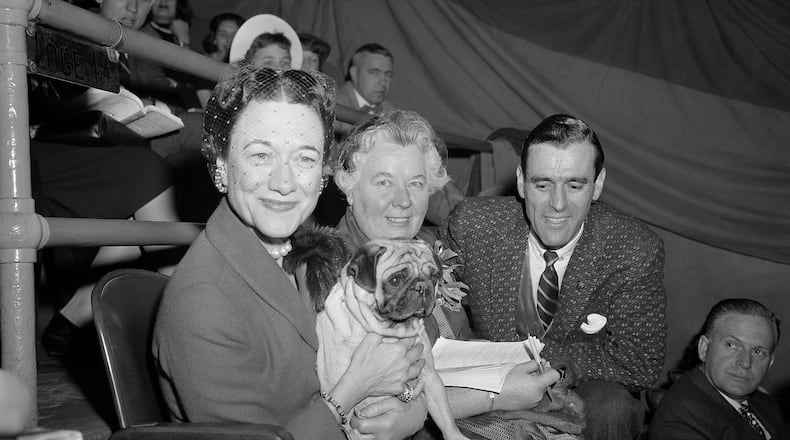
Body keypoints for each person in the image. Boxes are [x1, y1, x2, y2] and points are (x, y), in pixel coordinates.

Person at [152, 62, 428, 439]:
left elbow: (391, 369)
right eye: (261, 155)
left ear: (322, 173)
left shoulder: (311, 253)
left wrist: (411, 404)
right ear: (222, 164)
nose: (284, 183)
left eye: (304, 158)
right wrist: (354, 387)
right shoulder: (202, 301)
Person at [331, 110, 562, 438]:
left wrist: (508, 367)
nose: (403, 201)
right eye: (384, 182)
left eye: (416, 183)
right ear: (349, 187)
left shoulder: (425, 247)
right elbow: (371, 408)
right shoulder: (337, 276)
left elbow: (455, 345)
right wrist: (493, 395)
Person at [442, 114, 667, 440]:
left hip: (578, 387)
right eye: (542, 184)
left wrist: (546, 363)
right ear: (521, 182)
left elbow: (640, 363)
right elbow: (436, 313)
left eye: (574, 185)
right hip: (486, 381)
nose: (557, 204)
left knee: (614, 408)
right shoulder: (473, 225)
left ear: (598, 184)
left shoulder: (633, 248)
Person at [649, 298, 785, 439]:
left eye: (758, 352)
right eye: (731, 345)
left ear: (769, 363)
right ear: (704, 348)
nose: (745, 362)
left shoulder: (767, 405)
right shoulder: (683, 415)